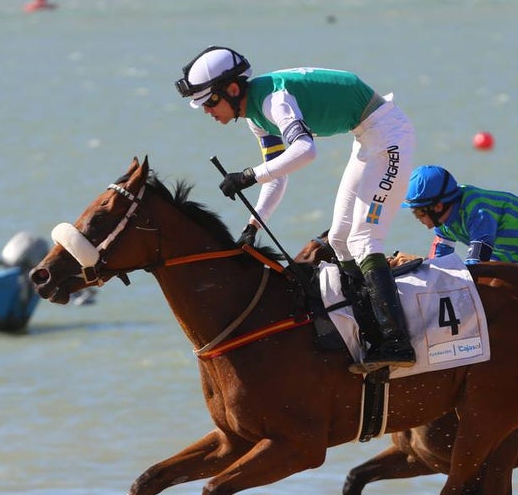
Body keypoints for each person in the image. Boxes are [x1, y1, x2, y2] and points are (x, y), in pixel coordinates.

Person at [175, 45, 415, 373]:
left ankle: (397, 341)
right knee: (341, 240)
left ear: (232, 89)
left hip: (389, 136)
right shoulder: (255, 117)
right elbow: (278, 173)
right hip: (366, 138)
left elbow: (305, 151)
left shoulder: (274, 101)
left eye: (210, 102)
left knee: (364, 239)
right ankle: (372, 335)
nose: (207, 111)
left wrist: (248, 175)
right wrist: (253, 226)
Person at [401, 164, 518, 291]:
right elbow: (438, 267)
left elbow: (476, 267)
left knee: (493, 285)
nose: (419, 220)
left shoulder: (479, 212)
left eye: (419, 214)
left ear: (437, 206)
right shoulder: (445, 222)